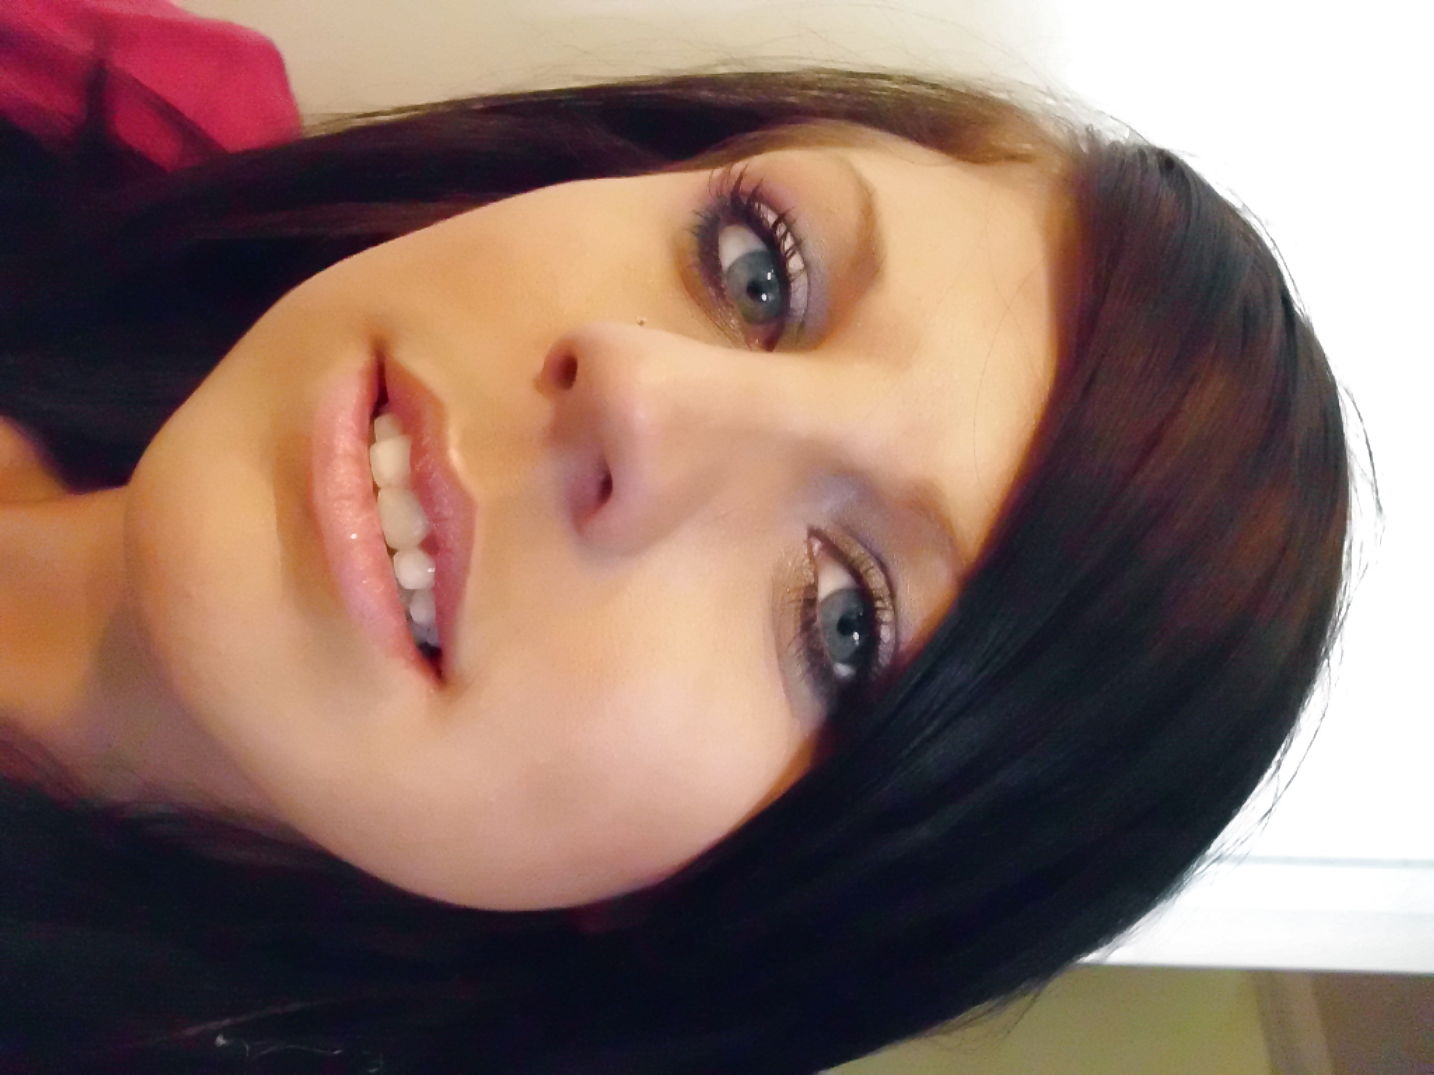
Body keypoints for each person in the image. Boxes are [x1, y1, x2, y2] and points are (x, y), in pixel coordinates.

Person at [0, 18, 1353, 1074]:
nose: (642, 395)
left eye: (843, 623)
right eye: (759, 271)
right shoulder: (98, 92)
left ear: (716, 906)